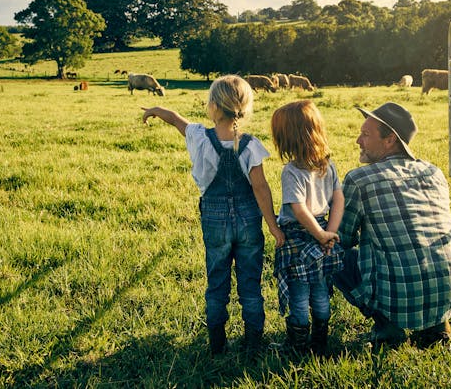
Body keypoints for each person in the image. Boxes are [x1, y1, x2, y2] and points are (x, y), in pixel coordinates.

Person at [141, 74, 285, 356]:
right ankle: (254, 342)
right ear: (244, 107)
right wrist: (274, 227)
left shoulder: (198, 136)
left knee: (217, 280)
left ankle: (217, 344)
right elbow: (260, 187)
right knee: (250, 283)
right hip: (248, 220)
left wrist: (155, 111)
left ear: (213, 107)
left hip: (215, 220)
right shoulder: (250, 144)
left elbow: (175, 119)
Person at [332, 102, 451, 348]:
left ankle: (386, 324)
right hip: (449, 295)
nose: (358, 141)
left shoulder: (359, 179)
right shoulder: (433, 173)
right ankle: (436, 324)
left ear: (390, 139)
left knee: (330, 253)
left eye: (366, 134)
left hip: (399, 300)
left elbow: (342, 238)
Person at [270, 100, 343, 356]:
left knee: (300, 294)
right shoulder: (328, 165)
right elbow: (338, 200)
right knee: (321, 290)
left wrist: (321, 234)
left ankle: (298, 346)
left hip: (299, 238)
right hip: (323, 232)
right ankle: (320, 342)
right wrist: (328, 233)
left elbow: (299, 210)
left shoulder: (291, 171)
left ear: (288, 139)